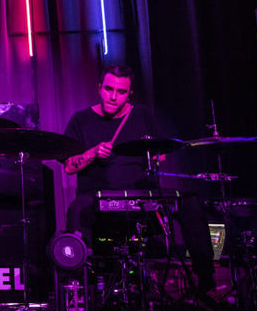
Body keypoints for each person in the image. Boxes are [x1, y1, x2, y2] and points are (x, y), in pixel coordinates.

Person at [62, 64, 215, 296]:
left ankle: (206, 280)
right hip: (97, 195)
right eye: (108, 89)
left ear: (129, 94)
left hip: (142, 193)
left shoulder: (142, 115)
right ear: (99, 88)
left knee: (191, 203)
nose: (113, 96)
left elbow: (160, 151)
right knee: (77, 210)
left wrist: (157, 156)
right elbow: (69, 167)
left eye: (121, 92)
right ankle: (79, 285)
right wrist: (92, 153)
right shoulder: (81, 120)